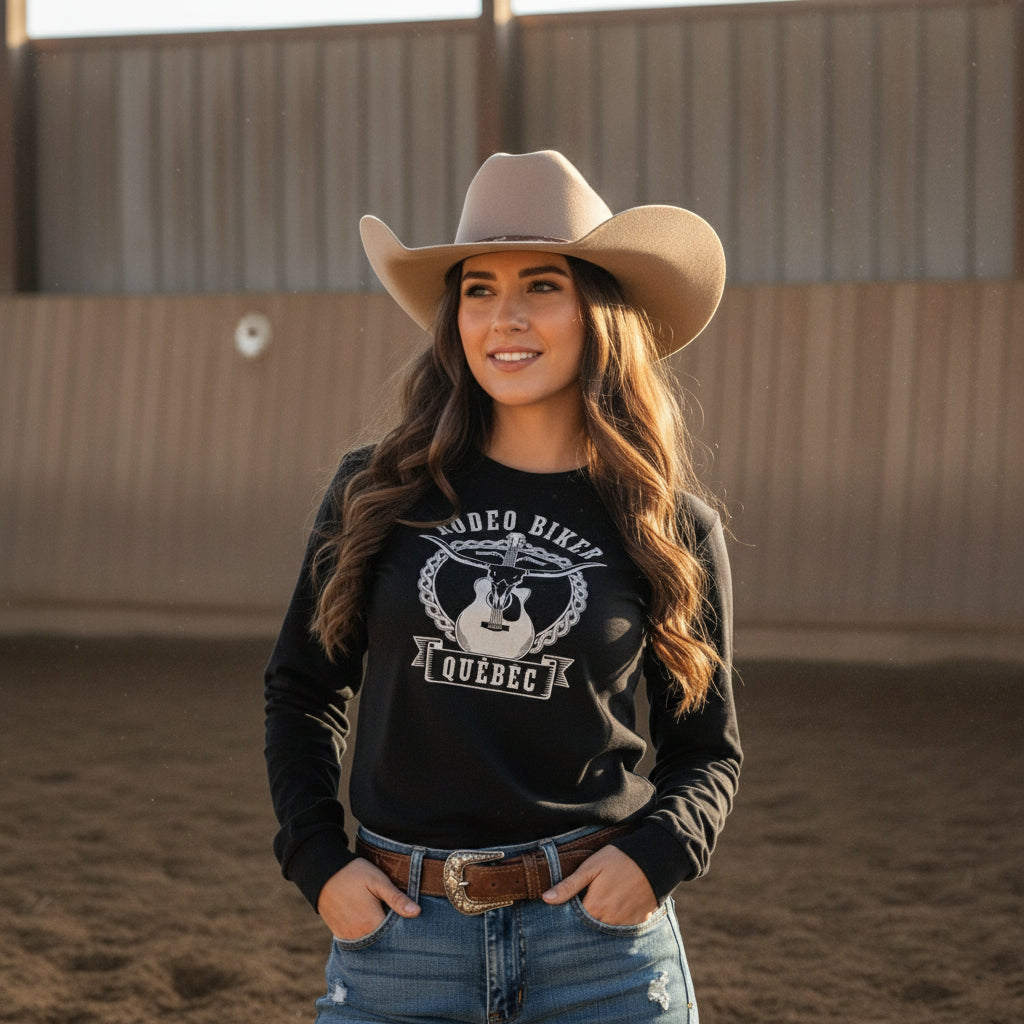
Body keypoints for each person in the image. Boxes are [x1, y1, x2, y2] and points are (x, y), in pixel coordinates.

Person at [264, 150, 742, 1024]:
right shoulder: (375, 492)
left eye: (542, 286)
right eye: (478, 288)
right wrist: (317, 862)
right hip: (400, 943)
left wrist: (658, 858)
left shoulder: (671, 527)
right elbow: (303, 690)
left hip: (600, 950)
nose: (504, 317)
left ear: (600, 309)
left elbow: (705, 750)